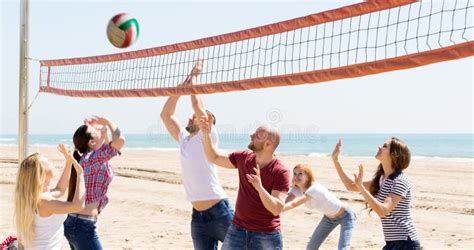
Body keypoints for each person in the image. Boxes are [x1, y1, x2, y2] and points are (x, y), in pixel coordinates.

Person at [160, 60, 233, 249]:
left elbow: (196, 102)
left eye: (194, 116)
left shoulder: (207, 134)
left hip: (219, 211)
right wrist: (179, 90)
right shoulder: (185, 139)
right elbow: (166, 115)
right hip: (197, 216)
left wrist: (194, 75)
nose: (190, 116)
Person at [199, 118, 290, 249]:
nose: (251, 135)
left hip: (266, 235)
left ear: (268, 145)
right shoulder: (244, 158)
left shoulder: (281, 171)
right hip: (237, 230)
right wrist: (206, 134)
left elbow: (276, 208)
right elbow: (214, 157)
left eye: (257, 135)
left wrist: (259, 187)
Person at [332, 138, 420, 249]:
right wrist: (335, 160)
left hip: (406, 242)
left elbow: (383, 211)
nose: (379, 147)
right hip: (392, 243)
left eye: (384, 146)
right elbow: (350, 186)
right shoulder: (382, 179)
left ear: (394, 154)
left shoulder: (400, 181)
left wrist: (362, 188)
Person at [63, 116, 125, 249]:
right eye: (95, 131)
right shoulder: (93, 158)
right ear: (91, 142)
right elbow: (120, 141)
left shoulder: (89, 158)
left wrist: (102, 133)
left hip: (76, 223)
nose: (98, 130)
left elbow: (109, 150)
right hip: (82, 226)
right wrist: (108, 121)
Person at [14, 144, 85, 249]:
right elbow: (78, 206)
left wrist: (69, 163)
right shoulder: (44, 201)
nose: (52, 164)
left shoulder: (36, 196)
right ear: (41, 173)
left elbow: (60, 190)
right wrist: (80, 174)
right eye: (49, 163)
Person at [283, 164, 356, 250]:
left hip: (346, 216)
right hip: (329, 218)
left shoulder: (314, 189)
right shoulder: (297, 188)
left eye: (300, 173)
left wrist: (277, 210)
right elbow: (286, 202)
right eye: (295, 173)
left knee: (343, 248)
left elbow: (293, 204)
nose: (296, 176)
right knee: (311, 248)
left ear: (308, 176)